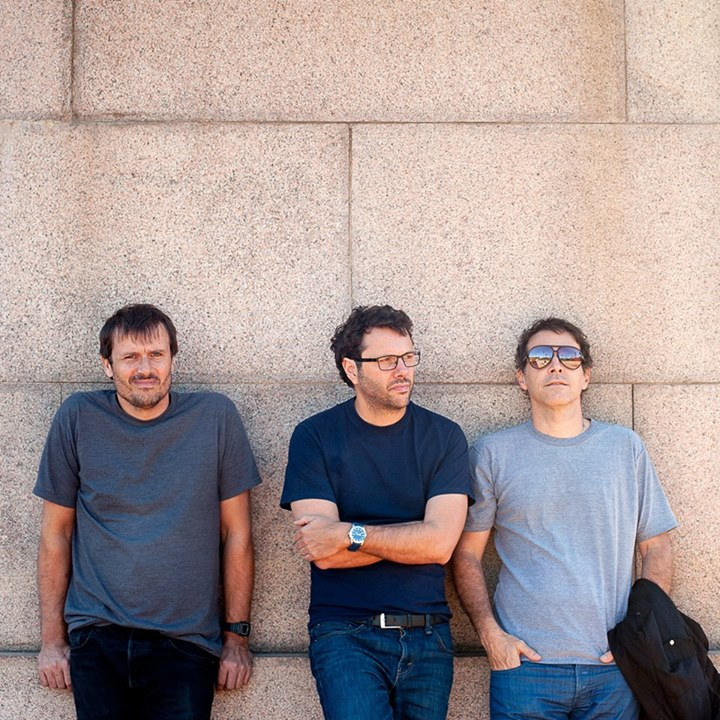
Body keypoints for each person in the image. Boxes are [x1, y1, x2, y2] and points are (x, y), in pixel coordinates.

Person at [35, 303, 261, 720]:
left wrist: (236, 639)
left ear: (173, 357)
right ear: (107, 365)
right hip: (96, 637)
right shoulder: (77, 417)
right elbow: (56, 534)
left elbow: (238, 535)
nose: (145, 368)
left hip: (186, 642)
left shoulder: (215, 417)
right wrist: (52, 640)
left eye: (156, 354)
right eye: (130, 357)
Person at [452, 316, 677, 720]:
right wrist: (490, 635)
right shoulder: (492, 453)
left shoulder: (624, 448)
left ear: (585, 375)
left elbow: (657, 546)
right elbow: (466, 554)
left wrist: (640, 635)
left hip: (614, 668)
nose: (555, 366)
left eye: (569, 357)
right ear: (522, 378)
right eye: (540, 357)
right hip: (524, 669)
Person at [281, 304, 473, 720]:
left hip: (428, 635)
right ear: (352, 369)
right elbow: (323, 552)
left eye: (408, 357)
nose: (403, 370)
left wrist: (350, 534)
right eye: (387, 361)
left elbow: (440, 545)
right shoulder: (315, 437)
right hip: (345, 635)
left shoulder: (444, 437)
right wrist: (413, 537)